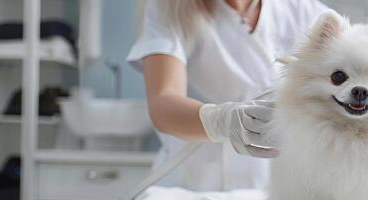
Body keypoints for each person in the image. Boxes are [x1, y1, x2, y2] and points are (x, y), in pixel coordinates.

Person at [127, 0, 327, 191]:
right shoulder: (170, 8)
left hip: (267, 185)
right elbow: (163, 103)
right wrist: (220, 121)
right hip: (190, 186)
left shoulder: (305, 12)